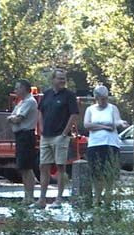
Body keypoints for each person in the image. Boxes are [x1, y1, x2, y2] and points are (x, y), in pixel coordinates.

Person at [37, 68, 79, 208]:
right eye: (60, 78)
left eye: (64, 78)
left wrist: (64, 133)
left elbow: (74, 115)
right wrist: (41, 129)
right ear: (53, 79)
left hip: (60, 137)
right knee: (43, 166)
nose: (62, 81)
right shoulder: (47, 94)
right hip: (46, 136)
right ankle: (41, 200)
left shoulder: (69, 95)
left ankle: (59, 199)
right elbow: (40, 111)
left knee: (60, 167)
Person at [82, 85, 128, 206]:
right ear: (96, 98)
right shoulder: (90, 109)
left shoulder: (112, 108)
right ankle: (97, 198)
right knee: (96, 172)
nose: (104, 101)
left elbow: (117, 121)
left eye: (106, 98)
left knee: (109, 172)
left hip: (110, 143)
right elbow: (87, 125)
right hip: (95, 144)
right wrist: (105, 127)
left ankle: (108, 198)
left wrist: (121, 123)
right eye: (102, 98)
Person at [6, 79, 38, 205]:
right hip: (20, 136)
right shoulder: (21, 103)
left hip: (26, 135)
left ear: (24, 88)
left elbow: (17, 119)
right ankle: (26, 196)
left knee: (27, 166)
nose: (15, 90)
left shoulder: (29, 101)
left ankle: (29, 196)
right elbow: (12, 116)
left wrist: (11, 118)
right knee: (23, 167)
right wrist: (11, 118)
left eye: (17, 88)